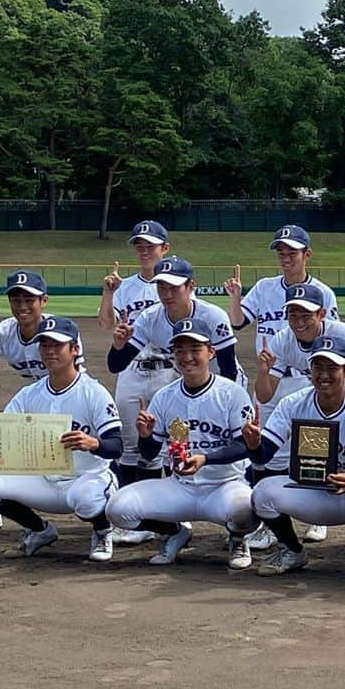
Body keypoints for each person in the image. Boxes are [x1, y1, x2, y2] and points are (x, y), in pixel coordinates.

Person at [244, 335, 345, 583]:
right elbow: (264, 456)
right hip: (310, 491)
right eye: (318, 367)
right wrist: (254, 445)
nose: (324, 375)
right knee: (263, 494)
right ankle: (292, 551)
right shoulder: (293, 403)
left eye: (332, 368)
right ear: (309, 370)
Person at [104, 319, 258, 568]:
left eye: (195, 350)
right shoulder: (164, 396)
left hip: (224, 485)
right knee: (118, 509)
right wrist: (146, 436)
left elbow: (244, 446)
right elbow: (150, 453)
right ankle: (173, 532)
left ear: (211, 352)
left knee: (246, 511)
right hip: (180, 486)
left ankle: (238, 537)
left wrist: (206, 459)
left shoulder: (231, 393)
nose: (186, 357)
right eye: (180, 350)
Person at [0, 317, 121, 562]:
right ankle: (40, 530)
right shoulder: (30, 394)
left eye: (57, 345)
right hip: (45, 481)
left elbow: (117, 446)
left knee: (85, 499)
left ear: (75, 350)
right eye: (45, 345)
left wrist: (94, 443)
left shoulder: (93, 392)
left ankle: (103, 530)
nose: (50, 351)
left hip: (85, 480)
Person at [0, 269, 87, 535]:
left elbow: (73, 376)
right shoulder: (5, 331)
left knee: (87, 458)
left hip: (71, 397)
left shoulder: (60, 331)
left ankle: (104, 517)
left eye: (29, 299)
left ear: (44, 301)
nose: (22, 306)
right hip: (36, 398)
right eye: (16, 299)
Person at [225, 225, 339, 506]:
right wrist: (236, 298)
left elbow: (331, 338)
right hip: (270, 380)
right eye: (281, 253)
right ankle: (267, 516)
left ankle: (317, 515)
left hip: (305, 379)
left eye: (292, 253)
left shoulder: (323, 293)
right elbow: (238, 322)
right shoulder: (265, 287)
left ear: (307, 254)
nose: (286, 258)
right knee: (264, 449)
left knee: (313, 450)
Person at [97, 220, 176, 491]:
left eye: (150, 246)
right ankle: (133, 510)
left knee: (171, 441)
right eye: (139, 246)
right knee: (129, 442)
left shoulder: (174, 283)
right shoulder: (125, 286)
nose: (144, 251)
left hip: (168, 368)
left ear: (164, 248)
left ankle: (172, 505)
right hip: (132, 368)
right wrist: (109, 294)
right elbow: (106, 323)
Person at [107, 256, 246, 387]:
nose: (167, 295)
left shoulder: (213, 317)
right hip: (187, 382)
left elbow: (229, 369)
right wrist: (118, 346)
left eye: (174, 288)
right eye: (161, 287)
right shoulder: (149, 318)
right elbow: (115, 366)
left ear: (190, 286)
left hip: (226, 380)